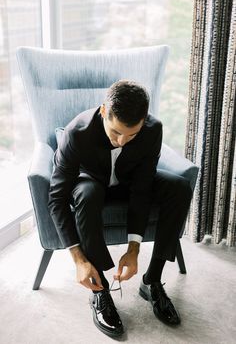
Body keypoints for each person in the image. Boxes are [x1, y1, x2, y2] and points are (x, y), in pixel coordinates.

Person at [48, 79, 192, 338]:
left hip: (129, 183)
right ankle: (100, 290)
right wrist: (78, 260)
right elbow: (57, 198)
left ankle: (152, 281)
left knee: (179, 187)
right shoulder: (75, 134)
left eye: (132, 135)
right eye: (116, 132)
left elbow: (142, 187)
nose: (122, 141)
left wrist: (134, 249)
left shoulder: (152, 129)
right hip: (91, 181)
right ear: (104, 111)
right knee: (87, 194)